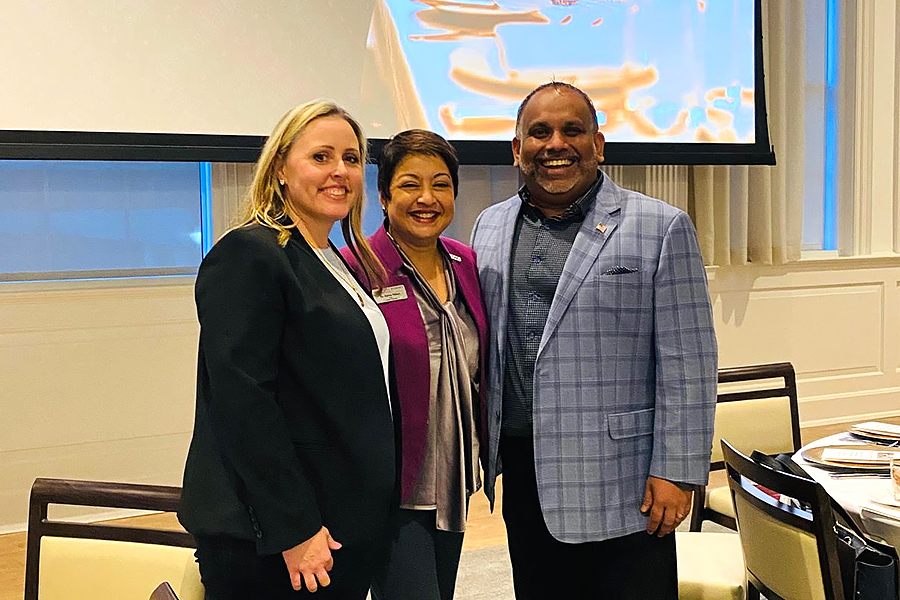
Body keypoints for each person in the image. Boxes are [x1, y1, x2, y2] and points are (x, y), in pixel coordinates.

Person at [469, 82, 718, 600]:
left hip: (623, 478)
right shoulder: (488, 227)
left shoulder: (660, 226)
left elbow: (689, 360)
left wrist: (677, 470)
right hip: (524, 466)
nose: (555, 143)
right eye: (539, 132)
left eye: (572, 130)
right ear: (517, 150)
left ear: (598, 145)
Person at [178, 100, 397, 599]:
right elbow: (243, 402)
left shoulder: (332, 258)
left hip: (336, 521)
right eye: (321, 157)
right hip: (275, 538)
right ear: (280, 167)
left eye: (351, 157)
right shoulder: (250, 254)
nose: (340, 171)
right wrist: (294, 529)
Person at [341, 129, 488, 600]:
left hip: (453, 477)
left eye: (440, 184)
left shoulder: (464, 262)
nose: (426, 198)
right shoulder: (356, 267)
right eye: (410, 184)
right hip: (393, 485)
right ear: (383, 196)